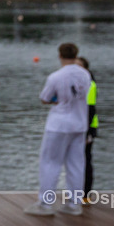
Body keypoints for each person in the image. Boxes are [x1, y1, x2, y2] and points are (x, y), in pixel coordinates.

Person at [24, 43, 91, 216]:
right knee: (76, 164)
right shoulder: (85, 74)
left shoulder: (56, 76)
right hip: (80, 123)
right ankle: (75, 204)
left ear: (60, 55)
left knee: (50, 163)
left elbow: (45, 98)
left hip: (59, 125)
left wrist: (55, 99)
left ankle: (45, 204)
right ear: (76, 55)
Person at [78, 56, 98, 204]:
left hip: (87, 127)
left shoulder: (90, 84)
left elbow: (90, 108)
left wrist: (89, 132)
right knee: (76, 160)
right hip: (78, 126)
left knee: (86, 159)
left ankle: (85, 194)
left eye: (79, 66)